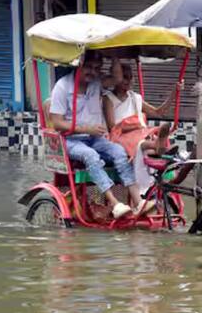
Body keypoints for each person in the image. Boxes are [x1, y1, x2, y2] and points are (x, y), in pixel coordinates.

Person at [48, 52, 155, 219]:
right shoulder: (62, 87)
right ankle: (115, 204)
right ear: (79, 65)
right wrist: (86, 128)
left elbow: (118, 79)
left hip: (94, 139)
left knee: (119, 151)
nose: (92, 72)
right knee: (90, 155)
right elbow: (57, 123)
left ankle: (138, 200)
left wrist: (114, 54)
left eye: (97, 68)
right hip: (70, 140)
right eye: (89, 67)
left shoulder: (96, 83)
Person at [102, 62, 182, 193]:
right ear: (116, 78)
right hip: (119, 136)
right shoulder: (108, 99)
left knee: (143, 139)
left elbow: (158, 112)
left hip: (139, 133)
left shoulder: (135, 97)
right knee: (141, 142)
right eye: (124, 77)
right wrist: (129, 125)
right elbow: (112, 126)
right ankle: (159, 146)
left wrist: (174, 93)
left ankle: (157, 147)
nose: (127, 81)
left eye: (130, 77)